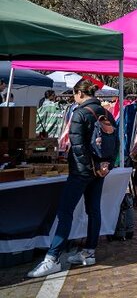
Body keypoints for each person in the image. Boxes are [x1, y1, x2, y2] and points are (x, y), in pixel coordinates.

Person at [28, 79, 109, 278]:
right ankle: (89, 252)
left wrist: (86, 166)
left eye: (74, 95)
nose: (74, 98)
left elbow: (78, 145)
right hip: (99, 171)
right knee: (94, 211)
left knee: (65, 212)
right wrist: (104, 166)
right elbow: (111, 143)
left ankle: (52, 257)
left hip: (81, 172)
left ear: (79, 94)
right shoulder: (105, 113)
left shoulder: (80, 113)